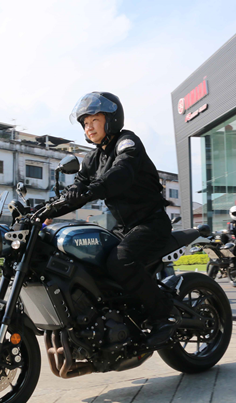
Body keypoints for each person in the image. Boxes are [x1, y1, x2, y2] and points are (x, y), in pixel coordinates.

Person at [60, 91, 176, 346]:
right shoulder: (92, 158)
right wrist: (46, 209)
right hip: (124, 227)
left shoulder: (127, 142)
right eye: (85, 123)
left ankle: (163, 316)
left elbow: (122, 171)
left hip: (151, 223)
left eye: (94, 120)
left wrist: (95, 188)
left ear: (111, 120)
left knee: (120, 261)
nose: (89, 127)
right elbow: (78, 185)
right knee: (92, 260)